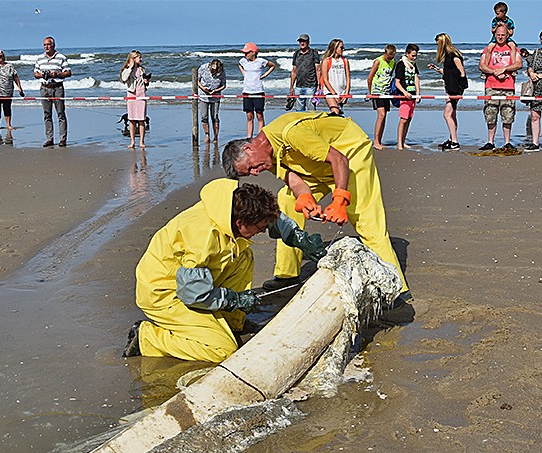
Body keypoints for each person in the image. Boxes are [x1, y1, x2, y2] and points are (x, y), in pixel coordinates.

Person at [221, 112, 410, 306]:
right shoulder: (266, 156)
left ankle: (395, 290)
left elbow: (339, 160)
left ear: (248, 148)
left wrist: (340, 199)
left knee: (367, 222)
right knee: (286, 201)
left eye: (251, 167)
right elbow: (293, 181)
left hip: (349, 154)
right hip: (317, 165)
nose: (256, 172)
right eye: (250, 173)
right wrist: (304, 197)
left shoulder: (292, 134)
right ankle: (287, 274)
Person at [126, 179, 326, 362]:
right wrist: (233, 300)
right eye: (260, 227)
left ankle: (233, 322)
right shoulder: (201, 238)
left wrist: (297, 236)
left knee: (243, 256)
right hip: (165, 293)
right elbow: (192, 294)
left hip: (192, 283)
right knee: (222, 349)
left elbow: (267, 217)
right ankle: (146, 338)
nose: (263, 231)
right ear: (240, 223)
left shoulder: (230, 206)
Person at [478, 24, 522, 150]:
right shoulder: (489, 49)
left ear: (508, 35)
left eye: (503, 35)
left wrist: (504, 69)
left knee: (508, 114)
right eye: (498, 35)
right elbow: (482, 65)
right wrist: (494, 72)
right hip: (491, 85)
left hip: (508, 87)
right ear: (494, 35)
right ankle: (490, 141)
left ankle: (507, 142)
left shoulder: (513, 48)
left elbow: (518, 64)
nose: (500, 37)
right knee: (490, 114)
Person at [427, 34, 466, 151]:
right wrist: (437, 69)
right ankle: (452, 139)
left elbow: (461, 73)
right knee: (452, 114)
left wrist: (455, 91)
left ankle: (454, 142)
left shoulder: (454, 56)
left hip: (455, 90)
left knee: (447, 114)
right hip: (451, 88)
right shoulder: (448, 57)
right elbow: (450, 73)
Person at [34, 36, 71, 147]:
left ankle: (62, 139)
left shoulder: (61, 57)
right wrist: (42, 75)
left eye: (48, 44)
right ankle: (49, 138)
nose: (46, 47)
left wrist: (57, 74)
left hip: (57, 88)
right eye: (44, 45)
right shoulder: (40, 58)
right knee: (47, 115)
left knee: (61, 114)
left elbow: (68, 72)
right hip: (44, 88)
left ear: (53, 45)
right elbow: (35, 73)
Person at [239, 42, 276, 138]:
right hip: (247, 91)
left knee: (259, 115)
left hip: (258, 91)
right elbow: (239, 64)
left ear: (253, 52)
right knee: (249, 116)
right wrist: (244, 74)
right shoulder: (243, 61)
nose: (245, 54)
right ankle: (249, 137)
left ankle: (260, 136)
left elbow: (272, 65)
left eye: (247, 52)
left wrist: (264, 75)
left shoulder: (260, 61)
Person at [367, 45, 397, 150]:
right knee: (381, 114)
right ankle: (375, 141)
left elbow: (390, 76)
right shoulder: (378, 62)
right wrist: (370, 92)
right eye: (388, 57)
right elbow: (370, 77)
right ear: (385, 53)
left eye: (392, 58)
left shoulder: (393, 63)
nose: (390, 59)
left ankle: (380, 140)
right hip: (377, 92)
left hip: (386, 92)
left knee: (384, 116)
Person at [121, 50, 150, 149]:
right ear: (133, 58)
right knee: (132, 119)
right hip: (132, 94)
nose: (140, 59)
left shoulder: (142, 69)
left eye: (140, 57)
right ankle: (132, 141)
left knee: (142, 119)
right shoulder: (127, 69)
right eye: (138, 57)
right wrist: (130, 67)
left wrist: (146, 82)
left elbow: (145, 83)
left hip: (141, 93)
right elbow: (124, 79)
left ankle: (141, 141)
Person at [394, 44, 420, 151]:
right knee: (403, 119)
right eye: (412, 55)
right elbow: (397, 82)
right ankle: (399, 143)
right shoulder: (401, 64)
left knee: (409, 119)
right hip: (404, 96)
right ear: (407, 53)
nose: (414, 58)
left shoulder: (413, 65)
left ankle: (404, 141)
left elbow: (416, 78)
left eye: (415, 56)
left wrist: (418, 93)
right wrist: (404, 93)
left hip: (412, 94)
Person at [289, 34, 321, 111]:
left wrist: (319, 85)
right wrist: (291, 87)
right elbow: (294, 71)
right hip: (299, 86)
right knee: (299, 110)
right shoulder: (296, 54)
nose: (302, 43)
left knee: (311, 110)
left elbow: (318, 70)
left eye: (304, 41)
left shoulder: (313, 53)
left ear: (308, 42)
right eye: (300, 41)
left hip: (311, 86)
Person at [197, 59, 226, 144]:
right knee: (204, 116)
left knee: (215, 116)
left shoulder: (222, 71)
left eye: (215, 71)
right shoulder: (203, 68)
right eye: (212, 71)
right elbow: (196, 81)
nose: (213, 73)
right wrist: (203, 88)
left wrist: (216, 90)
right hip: (203, 95)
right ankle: (207, 135)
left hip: (215, 95)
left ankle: (216, 137)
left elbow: (224, 85)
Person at [320, 39, 350, 116]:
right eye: (341, 47)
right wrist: (334, 94)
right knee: (335, 111)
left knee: (340, 113)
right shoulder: (326, 61)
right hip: (330, 91)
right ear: (335, 48)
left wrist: (347, 93)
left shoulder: (344, 60)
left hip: (341, 91)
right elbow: (325, 80)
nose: (343, 49)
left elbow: (348, 78)